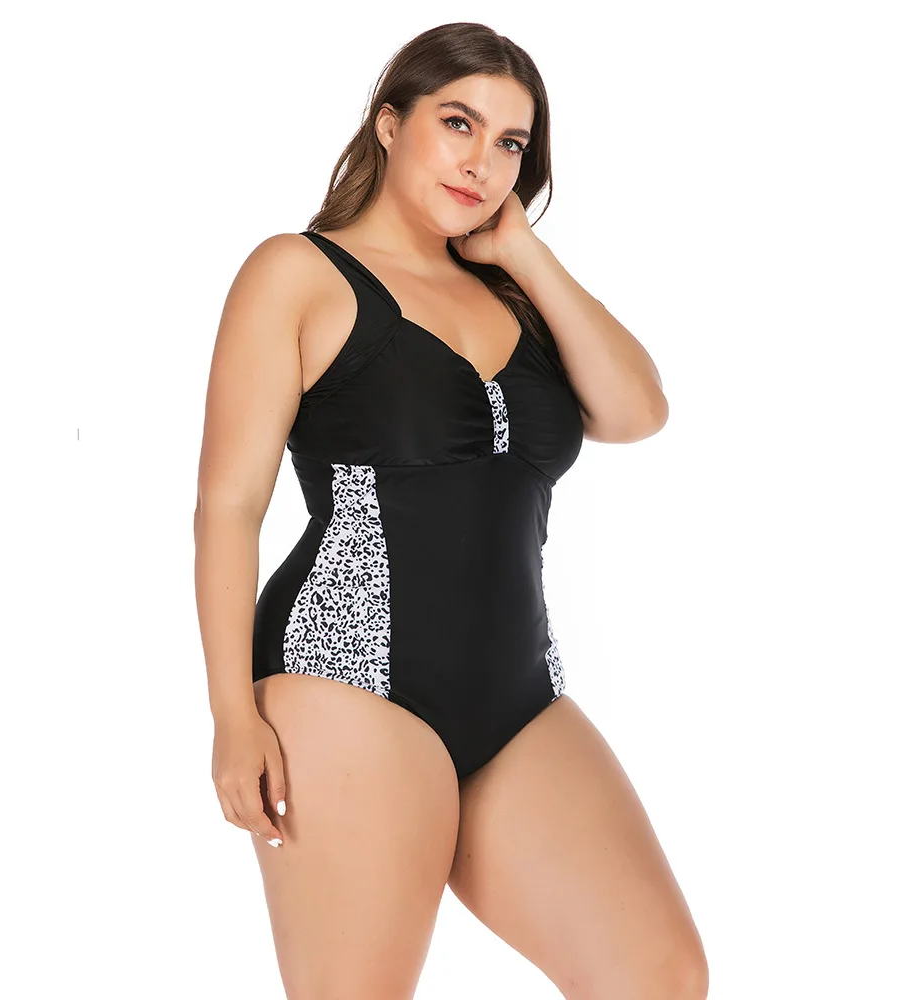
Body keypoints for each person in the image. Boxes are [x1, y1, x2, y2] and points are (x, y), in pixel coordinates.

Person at [194, 21, 707, 1000]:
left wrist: (522, 251)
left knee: (659, 977)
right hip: (344, 681)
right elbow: (228, 504)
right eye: (458, 123)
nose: (482, 162)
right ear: (390, 123)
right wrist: (230, 715)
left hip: (518, 698)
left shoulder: (513, 296)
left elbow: (637, 411)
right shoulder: (297, 273)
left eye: (510, 143)